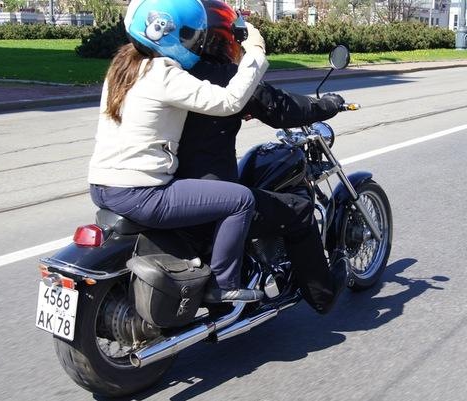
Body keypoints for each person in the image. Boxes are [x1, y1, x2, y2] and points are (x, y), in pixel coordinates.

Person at [88, 0, 270, 303]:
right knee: (241, 200)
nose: (193, 42)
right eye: (188, 34)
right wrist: (255, 53)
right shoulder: (164, 74)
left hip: (102, 185)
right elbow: (228, 102)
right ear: (171, 34)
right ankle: (222, 285)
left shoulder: (122, 65)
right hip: (141, 192)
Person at [175, 0, 349, 314]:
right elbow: (282, 107)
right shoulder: (227, 77)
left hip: (169, 191)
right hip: (211, 196)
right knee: (298, 211)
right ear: (223, 37)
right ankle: (323, 295)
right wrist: (329, 105)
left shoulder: (174, 74)